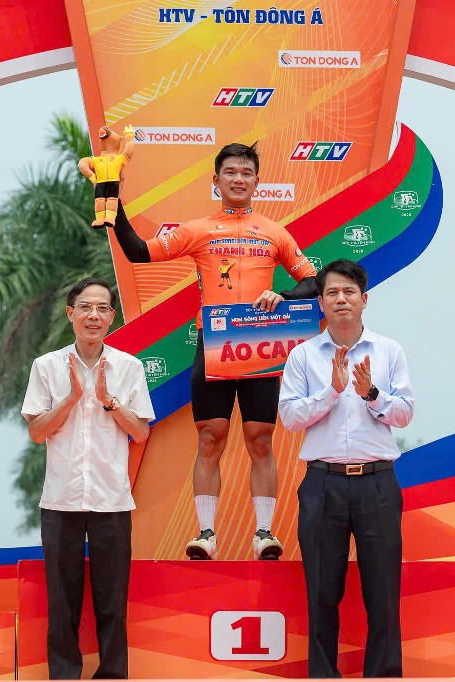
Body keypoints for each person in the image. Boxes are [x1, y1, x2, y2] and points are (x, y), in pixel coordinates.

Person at [108, 141, 317, 560]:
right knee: (210, 438)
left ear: (257, 181)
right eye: (231, 173)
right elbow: (137, 251)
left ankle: (263, 534)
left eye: (246, 173)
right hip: (215, 344)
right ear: (216, 180)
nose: (239, 179)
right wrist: (111, 196)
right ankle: (206, 534)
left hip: (259, 345)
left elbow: (312, 282)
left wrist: (284, 296)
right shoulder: (198, 229)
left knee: (260, 439)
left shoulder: (275, 232)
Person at [278, 259, 414, 678]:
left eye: (349, 292)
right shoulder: (302, 356)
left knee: (383, 591)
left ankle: (383, 675)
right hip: (323, 483)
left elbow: (405, 414)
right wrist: (332, 391)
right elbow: (290, 418)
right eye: (332, 293)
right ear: (320, 303)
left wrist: (372, 394)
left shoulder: (388, 351)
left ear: (364, 299)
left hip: (377, 483)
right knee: (321, 591)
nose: (341, 299)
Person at [21, 277, 155, 679]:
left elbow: (141, 432)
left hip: (111, 499)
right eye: (85, 307)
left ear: (112, 317)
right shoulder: (46, 366)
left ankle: (112, 676)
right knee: (62, 602)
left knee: (112, 601)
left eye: (102, 308)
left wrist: (108, 401)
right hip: (60, 499)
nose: (93, 315)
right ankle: (64, 675)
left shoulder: (129, 367)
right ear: (71, 314)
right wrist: (72, 399)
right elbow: (37, 432)